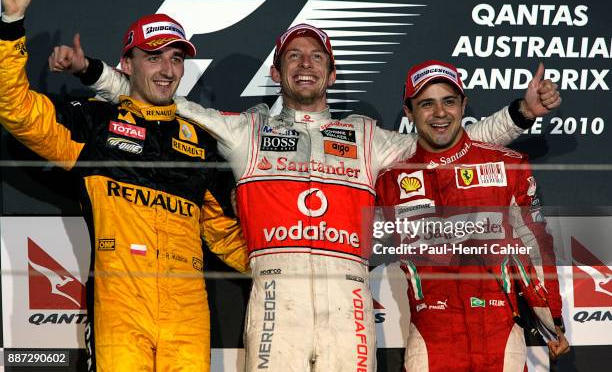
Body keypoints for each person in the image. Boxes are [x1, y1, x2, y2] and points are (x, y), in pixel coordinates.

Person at [52, 21, 560, 370]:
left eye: (317, 56)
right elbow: (156, 95)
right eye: (293, 56)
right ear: (276, 73)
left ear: (332, 73)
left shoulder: (365, 136)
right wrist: (91, 71)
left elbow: (446, 137)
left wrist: (520, 113)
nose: (305, 64)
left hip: (348, 294)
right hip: (277, 290)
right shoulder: (244, 130)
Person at [0, 0, 249, 372]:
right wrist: (10, 26)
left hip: (187, 312)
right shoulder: (94, 124)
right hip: (121, 305)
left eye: (176, 58)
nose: (167, 69)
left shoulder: (201, 142)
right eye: (154, 57)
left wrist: (284, 267)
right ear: (126, 64)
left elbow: (225, 234)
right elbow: (17, 109)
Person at [375, 60, 569, 371]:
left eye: (448, 101)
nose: (440, 113)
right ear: (409, 112)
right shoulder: (387, 181)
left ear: (463, 105)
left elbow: (534, 246)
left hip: (500, 334)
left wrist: (551, 319)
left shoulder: (506, 165)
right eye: (427, 104)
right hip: (430, 339)